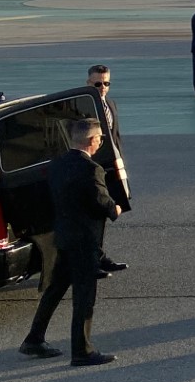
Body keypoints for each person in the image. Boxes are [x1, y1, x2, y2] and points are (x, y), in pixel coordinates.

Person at [19, 118, 120, 366]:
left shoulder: (56, 165)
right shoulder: (90, 169)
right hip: (84, 241)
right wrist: (114, 208)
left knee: (55, 290)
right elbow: (99, 200)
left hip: (63, 236)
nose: (100, 141)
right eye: (100, 138)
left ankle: (34, 338)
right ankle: (81, 350)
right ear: (91, 140)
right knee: (84, 296)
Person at [85, 65, 130, 275]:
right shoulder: (83, 107)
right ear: (88, 84)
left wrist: (120, 164)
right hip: (91, 171)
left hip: (110, 170)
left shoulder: (111, 104)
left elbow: (115, 137)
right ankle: (92, 261)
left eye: (106, 83)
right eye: (98, 83)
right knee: (93, 216)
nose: (103, 87)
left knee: (102, 216)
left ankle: (99, 257)